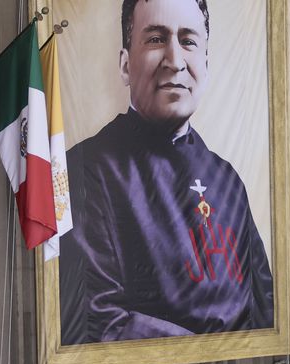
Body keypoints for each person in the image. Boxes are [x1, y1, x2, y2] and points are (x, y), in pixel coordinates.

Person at [58, 0, 274, 344]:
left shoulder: (227, 179)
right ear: (126, 65)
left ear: (205, 62)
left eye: (188, 41)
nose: (175, 61)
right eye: (157, 39)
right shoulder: (85, 170)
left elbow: (264, 308)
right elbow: (100, 319)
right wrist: (212, 355)